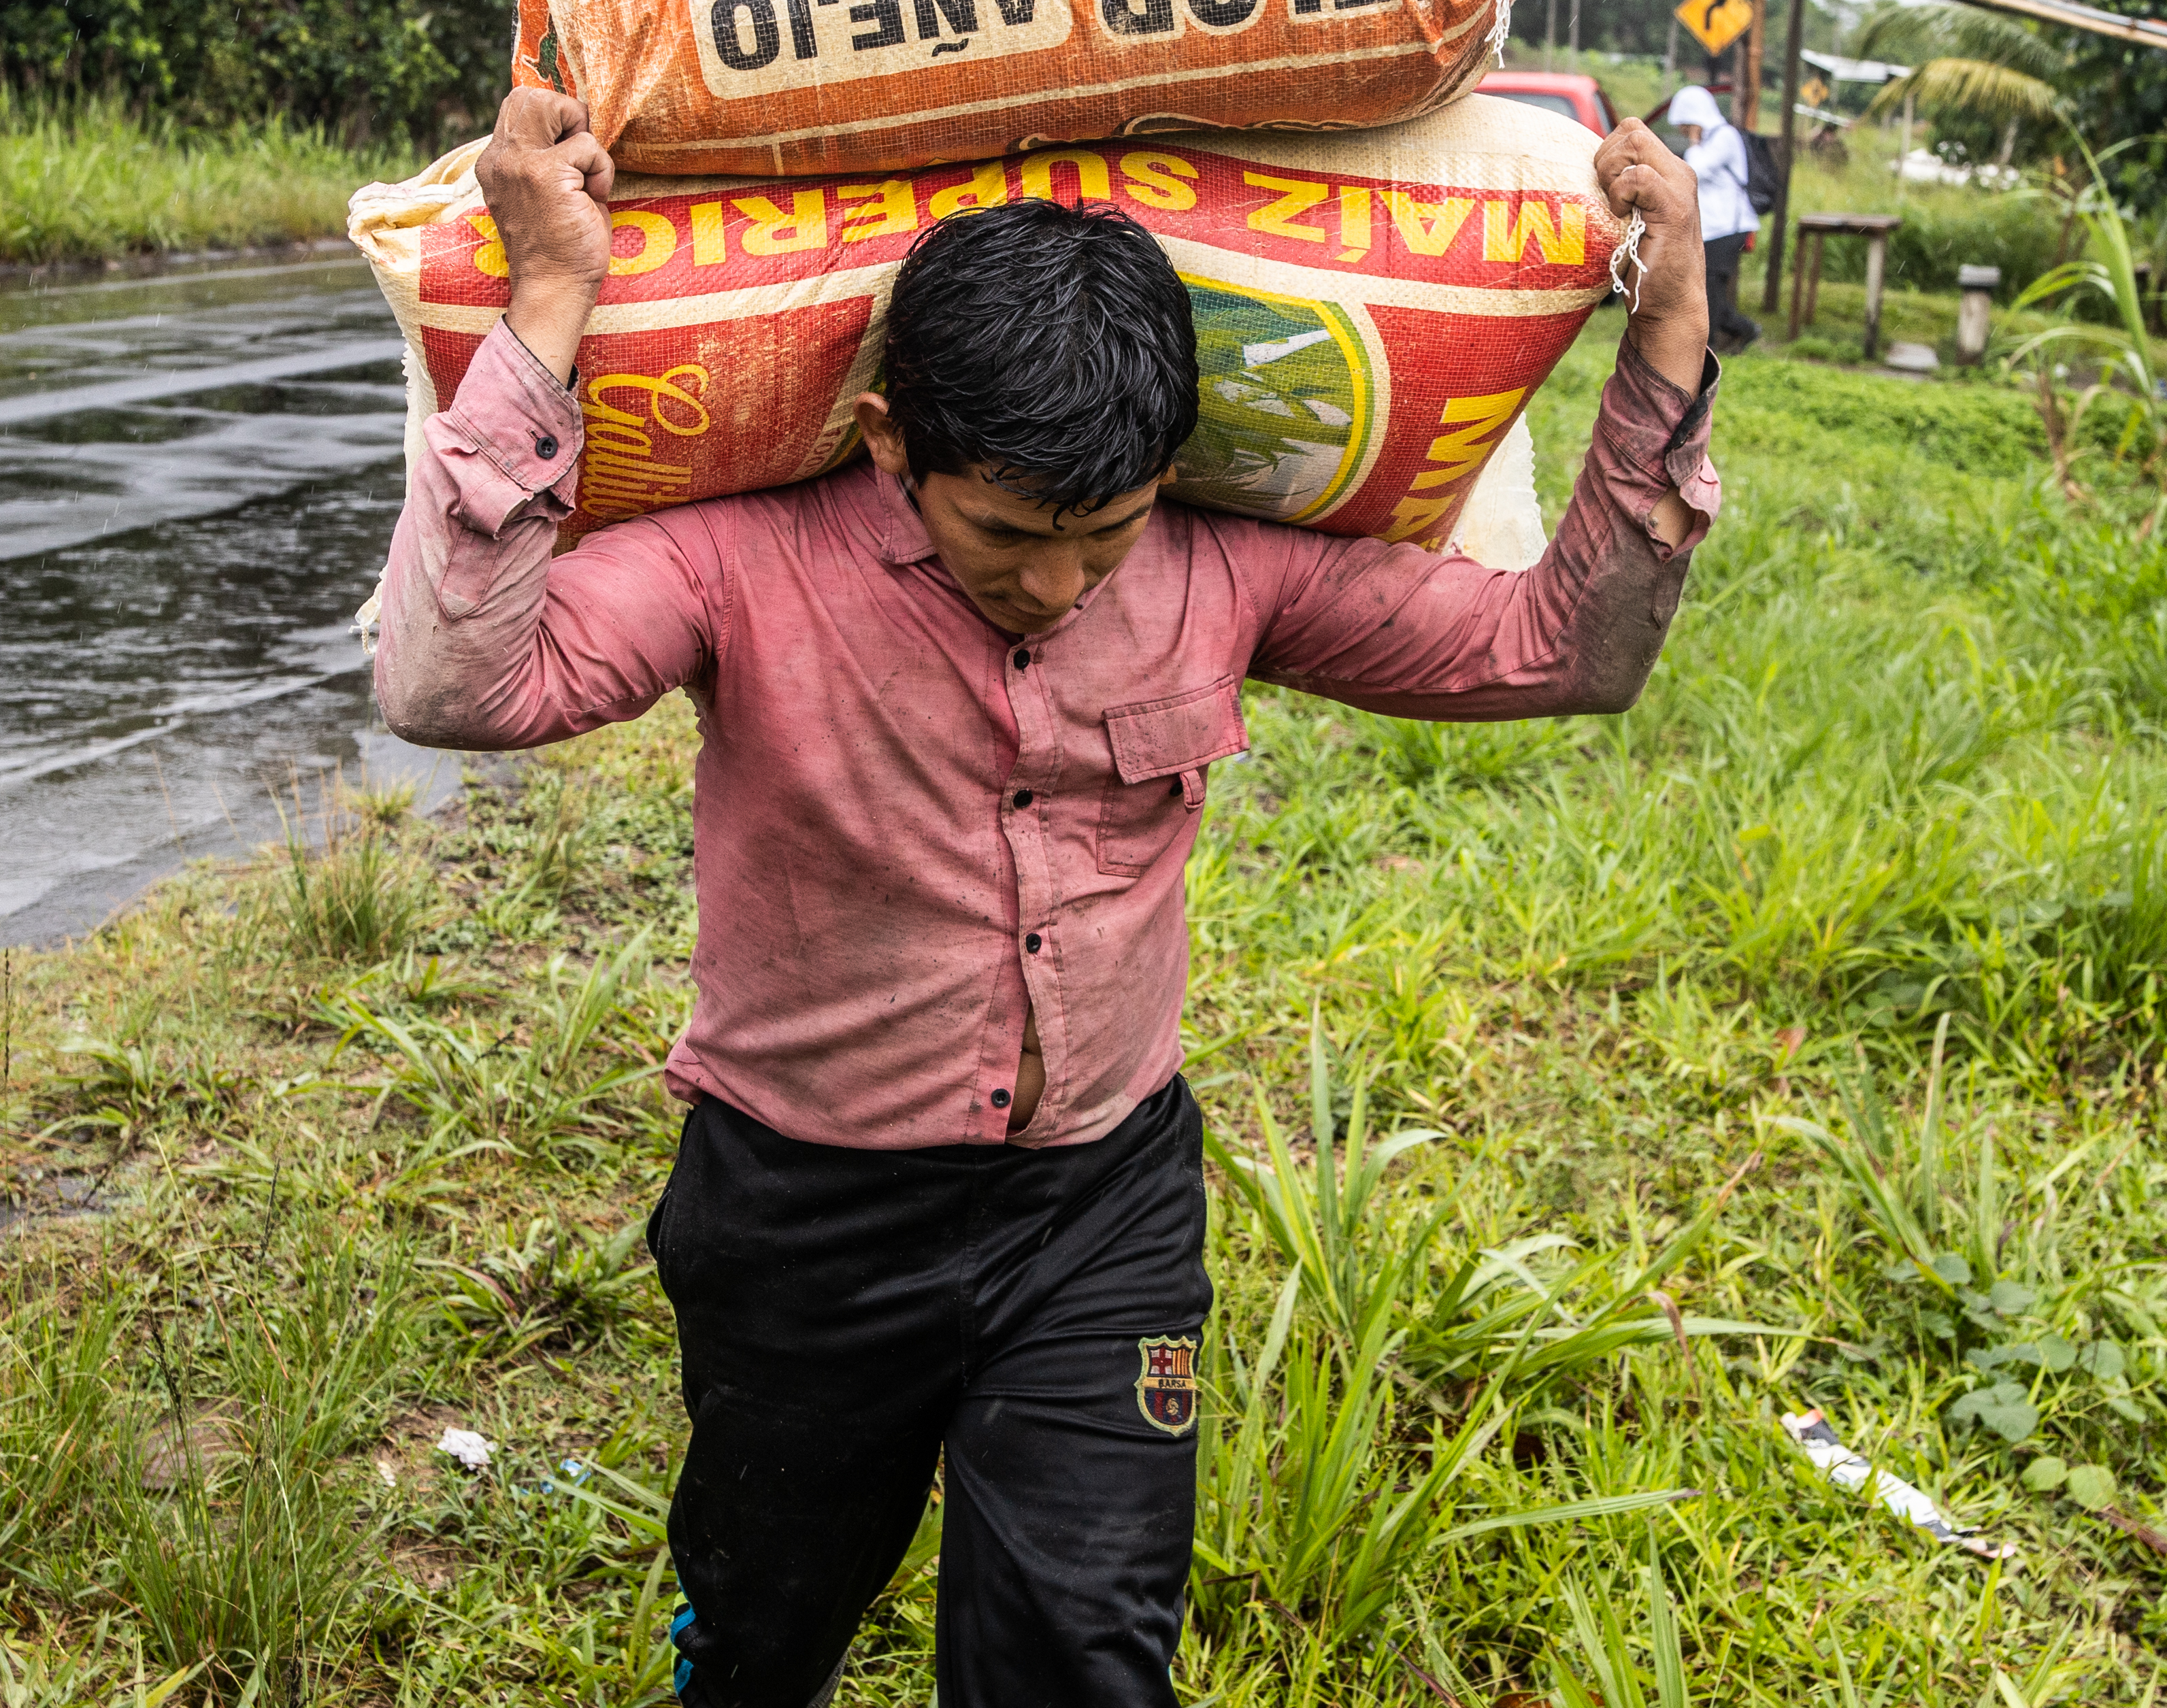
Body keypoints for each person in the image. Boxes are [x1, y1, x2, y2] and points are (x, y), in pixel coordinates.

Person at [372, 86, 1719, 1708]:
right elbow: (453, 686)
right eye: (1008, 531)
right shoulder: (739, 562)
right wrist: (550, 297)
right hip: (806, 1209)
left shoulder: (1227, 569)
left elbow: (1566, 652)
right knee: (763, 1621)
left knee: (1084, 1658)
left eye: (1109, 530)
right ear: (889, 443)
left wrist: (1666, 339)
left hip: (1101, 1206)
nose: (1063, 583)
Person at [1664, 83, 1762, 353]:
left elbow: (1695, 170)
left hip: (1728, 227)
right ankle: (1724, 337)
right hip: (1712, 228)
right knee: (1706, 289)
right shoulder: (1712, 140)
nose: (1683, 131)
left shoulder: (1724, 137)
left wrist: (1695, 140)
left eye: (1686, 125)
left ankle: (1729, 336)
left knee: (1709, 289)